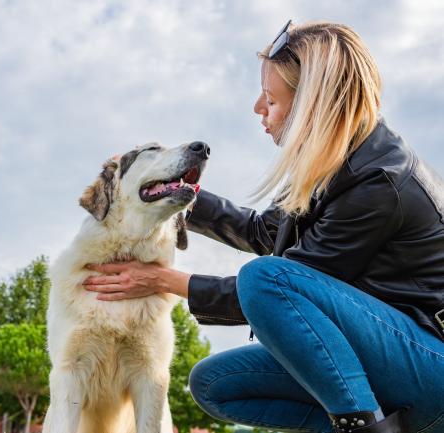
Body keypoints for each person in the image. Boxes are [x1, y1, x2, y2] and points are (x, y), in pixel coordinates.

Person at [82, 20, 444, 433]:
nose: (258, 108)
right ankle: (382, 424)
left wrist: (162, 279)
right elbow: (262, 232)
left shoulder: (381, 182)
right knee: (214, 383)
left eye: (270, 100)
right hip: (384, 364)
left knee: (264, 277)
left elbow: (277, 289)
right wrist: (175, 191)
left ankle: (361, 427)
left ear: (313, 104)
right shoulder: (330, 165)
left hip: (430, 366)